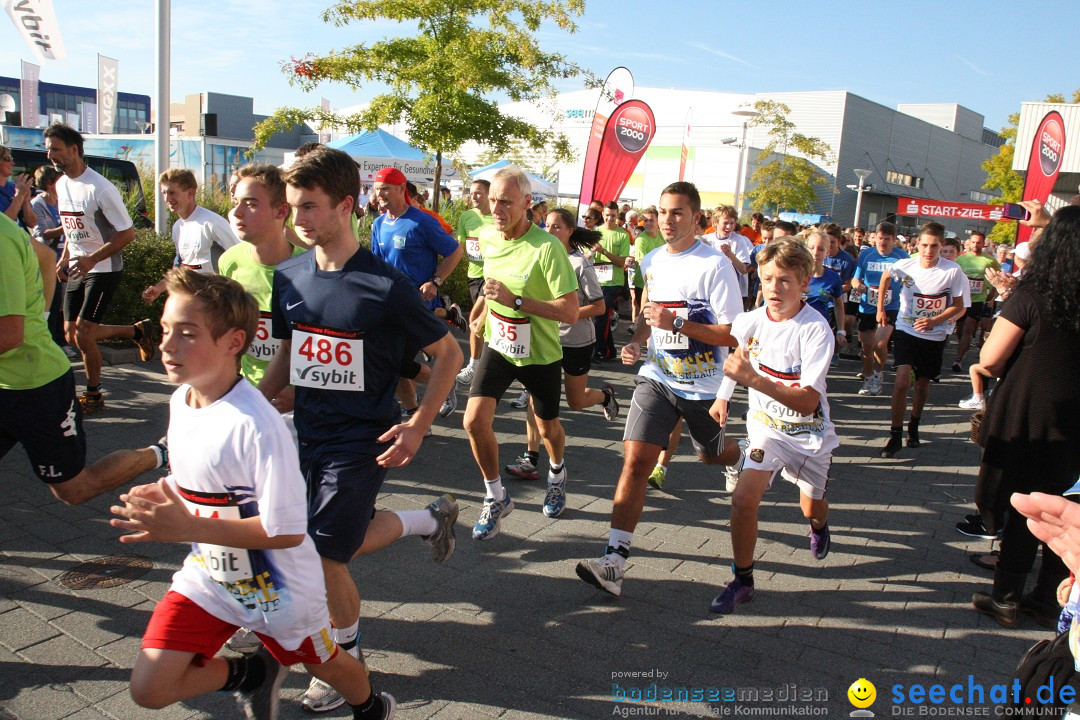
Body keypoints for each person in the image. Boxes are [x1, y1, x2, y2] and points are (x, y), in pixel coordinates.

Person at [109, 269, 397, 720]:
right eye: (165, 330)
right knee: (149, 687)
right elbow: (202, 484)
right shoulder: (181, 401)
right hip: (210, 579)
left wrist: (185, 525)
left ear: (233, 342)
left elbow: (285, 531)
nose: (166, 345)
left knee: (327, 662)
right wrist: (162, 494)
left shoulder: (256, 424)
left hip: (280, 592)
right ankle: (252, 676)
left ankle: (371, 707)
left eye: (187, 334)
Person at [258, 147, 461, 712]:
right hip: (305, 431)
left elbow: (449, 354)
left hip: (363, 439)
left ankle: (346, 660)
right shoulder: (290, 276)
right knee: (308, 538)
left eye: (310, 207)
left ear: (347, 205)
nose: (298, 219)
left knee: (324, 554)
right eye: (292, 207)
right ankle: (430, 519)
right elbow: (288, 354)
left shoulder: (385, 285)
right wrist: (250, 404)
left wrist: (418, 425)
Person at [575, 181, 742, 597]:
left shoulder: (714, 265)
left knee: (712, 455)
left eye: (678, 213)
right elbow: (650, 315)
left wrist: (679, 324)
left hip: (704, 385)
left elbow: (733, 335)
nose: (667, 220)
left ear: (696, 218)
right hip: (659, 377)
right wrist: (637, 341)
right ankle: (614, 561)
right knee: (635, 462)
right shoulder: (651, 258)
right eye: (662, 212)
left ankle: (737, 458)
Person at [707, 238, 838, 614]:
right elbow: (739, 358)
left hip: (810, 436)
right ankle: (742, 580)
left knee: (812, 507)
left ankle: (818, 526)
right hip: (766, 429)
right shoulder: (750, 320)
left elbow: (809, 400)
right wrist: (723, 396)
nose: (774, 289)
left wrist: (754, 380)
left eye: (784, 280)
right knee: (743, 499)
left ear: (804, 284)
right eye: (767, 279)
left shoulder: (815, 330)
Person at [0, 211, 167, 506]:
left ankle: (161, 452)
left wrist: (37, 322)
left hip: (38, 387)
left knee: (75, 490)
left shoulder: (2, 236)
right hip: (5, 384)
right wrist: (42, 316)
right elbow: (45, 257)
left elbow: (10, 334)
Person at [970, 205, 1080, 629]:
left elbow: (991, 360)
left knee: (1024, 505)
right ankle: (1049, 599)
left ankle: (1006, 597)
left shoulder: (1031, 296)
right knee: (1064, 503)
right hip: (1075, 420)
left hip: (1030, 413)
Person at [463, 166, 579, 537]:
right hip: (500, 345)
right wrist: (482, 309)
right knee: (473, 422)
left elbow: (570, 311)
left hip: (541, 353)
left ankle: (557, 472)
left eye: (506, 203)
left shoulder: (547, 248)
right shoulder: (487, 236)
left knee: (547, 428)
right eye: (493, 200)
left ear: (528, 204)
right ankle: (496, 497)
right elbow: (490, 282)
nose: (497, 209)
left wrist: (517, 301)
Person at [45, 124, 155, 415]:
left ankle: (94, 395)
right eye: (48, 149)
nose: (50, 155)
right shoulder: (61, 184)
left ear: (74, 150)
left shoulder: (100, 188)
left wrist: (92, 259)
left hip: (104, 267)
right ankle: (136, 331)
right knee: (71, 335)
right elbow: (72, 229)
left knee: (83, 334)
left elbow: (127, 233)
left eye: (55, 148)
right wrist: (64, 258)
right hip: (77, 265)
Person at [504, 209, 619, 479]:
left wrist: (566, 313)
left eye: (557, 227)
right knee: (536, 397)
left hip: (575, 340)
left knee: (576, 401)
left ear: (570, 231)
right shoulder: (540, 255)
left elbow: (599, 306)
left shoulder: (580, 263)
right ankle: (531, 458)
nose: (550, 231)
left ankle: (605, 396)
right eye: (547, 225)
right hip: (544, 338)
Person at [370, 168, 464, 422]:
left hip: (416, 305)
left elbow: (455, 251)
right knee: (395, 365)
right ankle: (414, 414)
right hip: (390, 306)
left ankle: (444, 383)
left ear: (402, 190)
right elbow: (377, 265)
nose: (380, 195)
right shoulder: (378, 224)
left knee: (398, 362)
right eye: (377, 189)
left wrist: (436, 280)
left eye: (386, 189)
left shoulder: (421, 221)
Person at [876, 222, 966, 458]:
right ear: (917, 244)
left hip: (934, 334)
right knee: (902, 381)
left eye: (934, 246)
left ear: (942, 246)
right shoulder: (905, 265)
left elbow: (958, 306)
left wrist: (934, 320)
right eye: (924, 245)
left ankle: (913, 425)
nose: (928, 250)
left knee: (922, 384)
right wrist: (881, 308)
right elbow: (885, 278)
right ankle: (894, 435)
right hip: (907, 329)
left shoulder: (952, 271)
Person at [142, 169, 240, 302]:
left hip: (217, 302)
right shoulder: (178, 227)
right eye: (164, 193)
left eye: (172, 193)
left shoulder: (212, 222)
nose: (167, 199)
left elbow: (239, 257)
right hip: (192, 300)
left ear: (190, 193)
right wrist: (158, 289)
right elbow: (181, 267)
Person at [851, 221, 908, 397]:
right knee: (866, 347)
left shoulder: (902, 257)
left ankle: (877, 373)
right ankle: (868, 378)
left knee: (880, 343)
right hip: (867, 305)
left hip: (891, 306)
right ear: (875, 237)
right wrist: (858, 285)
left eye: (887, 239)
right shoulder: (866, 255)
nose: (882, 243)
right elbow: (855, 278)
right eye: (880, 238)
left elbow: (911, 280)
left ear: (893, 241)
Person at [455, 179, 493, 388]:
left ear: (489, 195)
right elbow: (461, 247)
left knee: (476, 320)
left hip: (493, 277)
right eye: (472, 193)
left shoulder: (497, 218)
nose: (474, 197)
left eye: (478, 193)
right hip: (474, 275)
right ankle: (485, 364)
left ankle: (474, 366)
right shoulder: (466, 217)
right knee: (484, 325)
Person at [29, 164, 69, 351]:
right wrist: (68, 226)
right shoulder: (38, 204)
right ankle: (53, 343)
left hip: (66, 258)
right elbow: (42, 233)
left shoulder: (62, 201)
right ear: (51, 183)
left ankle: (62, 341)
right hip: (48, 261)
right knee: (52, 304)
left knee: (64, 304)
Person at [950, 232, 999, 372]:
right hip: (961, 300)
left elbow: (997, 278)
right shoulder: (961, 260)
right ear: (969, 243)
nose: (976, 245)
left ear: (984, 244)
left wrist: (993, 294)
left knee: (968, 329)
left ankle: (958, 359)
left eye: (979, 242)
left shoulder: (990, 261)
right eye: (973, 242)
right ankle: (963, 346)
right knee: (959, 330)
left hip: (977, 301)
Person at [591, 201, 632, 361]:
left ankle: (599, 351)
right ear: (602, 215)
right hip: (597, 281)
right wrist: (591, 253)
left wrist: (604, 251)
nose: (609, 218)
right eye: (607, 215)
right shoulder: (596, 232)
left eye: (613, 216)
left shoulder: (623, 235)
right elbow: (588, 256)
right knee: (601, 316)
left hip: (614, 282)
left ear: (617, 216)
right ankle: (609, 350)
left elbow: (622, 262)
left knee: (601, 313)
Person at [804, 231, 847, 350]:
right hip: (797, 326)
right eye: (811, 248)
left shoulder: (833, 278)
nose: (815, 253)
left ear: (827, 252)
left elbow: (838, 303)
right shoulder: (797, 274)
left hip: (820, 329)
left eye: (821, 249)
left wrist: (841, 330)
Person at [628, 206, 664, 327]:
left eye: (651, 220)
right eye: (645, 220)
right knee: (647, 320)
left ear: (658, 221)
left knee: (658, 319)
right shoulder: (641, 239)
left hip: (660, 282)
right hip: (643, 283)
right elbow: (642, 262)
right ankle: (645, 344)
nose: (647, 223)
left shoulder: (662, 235)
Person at [0, 144, 37, 231]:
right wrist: (19, 196)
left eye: (12, 159)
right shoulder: (18, 190)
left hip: (19, 241)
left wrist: (25, 201)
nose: (12, 163)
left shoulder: (13, 187)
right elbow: (4, 225)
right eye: (8, 159)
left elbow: (32, 223)